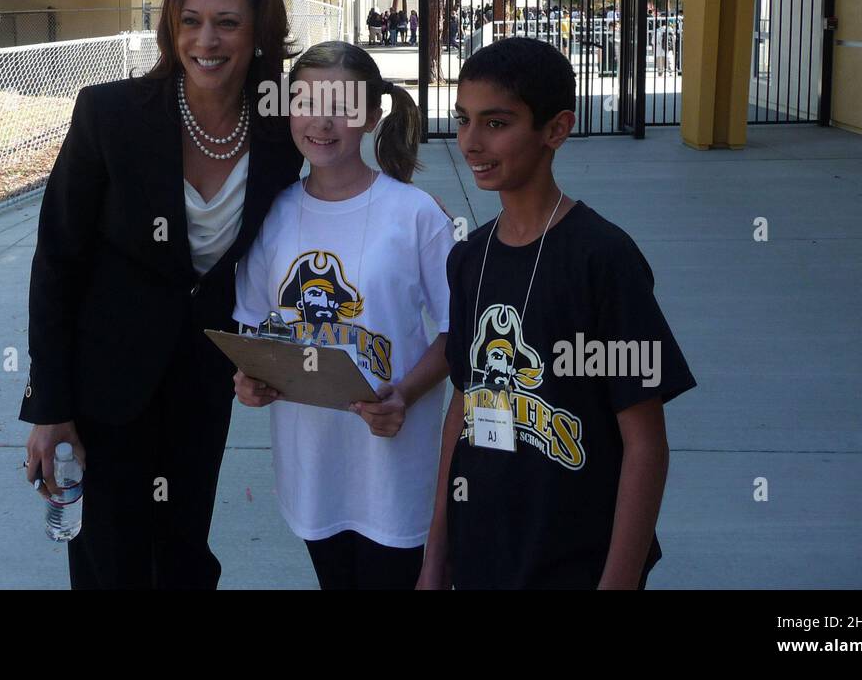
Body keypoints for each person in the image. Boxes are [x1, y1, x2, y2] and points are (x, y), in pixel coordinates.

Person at [20, 0, 304, 589]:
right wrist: (50, 408)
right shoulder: (110, 116)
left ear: (259, 31)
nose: (207, 40)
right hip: (105, 385)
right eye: (190, 21)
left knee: (183, 551)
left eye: (228, 23)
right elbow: (57, 262)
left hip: (205, 381)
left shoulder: (284, 129)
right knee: (109, 560)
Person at [418, 36, 696, 590]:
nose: (470, 142)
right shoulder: (469, 258)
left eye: (496, 123)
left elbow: (645, 442)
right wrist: (436, 557)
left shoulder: (602, 259)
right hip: (483, 552)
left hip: (576, 559)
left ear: (556, 129)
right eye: (463, 119)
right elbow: (463, 407)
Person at [232, 41, 455, 590]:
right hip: (312, 465)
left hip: (393, 462)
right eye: (307, 101)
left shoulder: (415, 214)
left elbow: (460, 329)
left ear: (372, 116)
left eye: (344, 105)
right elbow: (256, 322)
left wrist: (404, 393)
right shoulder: (273, 213)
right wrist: (248, 378)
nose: (323, 121)